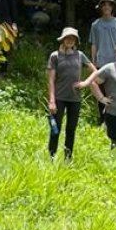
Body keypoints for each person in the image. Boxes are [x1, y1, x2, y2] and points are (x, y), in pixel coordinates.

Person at [46, 27, 95, 160]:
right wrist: (51, 100)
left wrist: (85, 83)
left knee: (71, 130)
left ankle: (68, 158)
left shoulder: (80, 55)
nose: (69, 40)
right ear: (62, 39)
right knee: (55, 129)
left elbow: (95, 71)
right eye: (67, 38)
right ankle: (52, 156)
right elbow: (50, 80)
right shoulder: (55, 56)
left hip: (75, 98)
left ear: (75, 41)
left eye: (72, 38)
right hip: (59, 98)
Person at [89, 0, 116, 122]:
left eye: (109, 5)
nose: (106, 7)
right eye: (104, 5)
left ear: (112, 7)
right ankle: (103, 119)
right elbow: (94, 44)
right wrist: (93, 62)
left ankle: (115, 117)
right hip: (101, 62)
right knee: (101, 91)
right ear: (101, 7)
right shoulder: (95, 24)